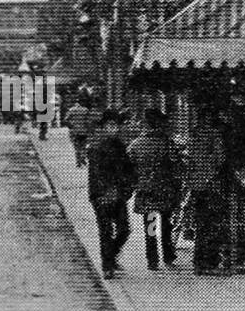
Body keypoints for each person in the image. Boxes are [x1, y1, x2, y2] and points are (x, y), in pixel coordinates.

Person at [127, 108, 182, 271]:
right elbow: (177, 165)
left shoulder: (135, 144)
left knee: (150, 226)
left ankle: (152, 260)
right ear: (158, 123)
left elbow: (129, 167)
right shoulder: (166, 143)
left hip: (146, 190)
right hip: (165, 189)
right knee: (166, 224)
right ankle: (168, 256)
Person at [87, 109, 136, 279]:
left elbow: (129, 170)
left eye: (115, 126)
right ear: (103, 127)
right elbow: (96, 174)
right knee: (106, 230)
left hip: (118, 194)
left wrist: (128, 188)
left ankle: (111, 256)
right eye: (109, 126)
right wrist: (103, 194)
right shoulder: (96, 147)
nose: (113, 129)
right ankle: (107, 266)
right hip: (102, 195)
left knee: (124, 229)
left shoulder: (120, 146)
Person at [186, 112, 229, 275]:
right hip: (211, 185)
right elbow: (221, 158)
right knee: (212, 225)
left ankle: (198, 262)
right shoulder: (214, 135)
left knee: (201, 225)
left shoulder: (194, 135)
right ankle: (209, 263)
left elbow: (190, 161)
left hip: (196, 186)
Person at [66, 93, 95, 167]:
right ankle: (82, 157)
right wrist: (90, 130)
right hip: (84, 131)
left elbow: (66, 120)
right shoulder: (85, 110)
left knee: (76, 147)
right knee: (83, 146)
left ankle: (78, 162)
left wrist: (71, 126)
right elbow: (88, 121)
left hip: (74, 131)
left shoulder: (71, 110)